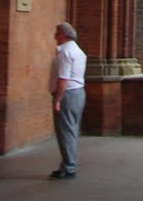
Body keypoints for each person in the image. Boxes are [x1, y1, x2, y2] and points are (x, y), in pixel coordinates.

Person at [48, 22, 87, 179]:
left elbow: (63, 78)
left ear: (64, 35)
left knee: (65, 132)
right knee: (70, 130)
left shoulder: (65, 52)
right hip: (78, 93)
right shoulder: (78, 50)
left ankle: (69, 166)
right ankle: (67, 164)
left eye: (57, 33)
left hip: (68, 94)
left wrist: (58, 99)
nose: (55, 36)